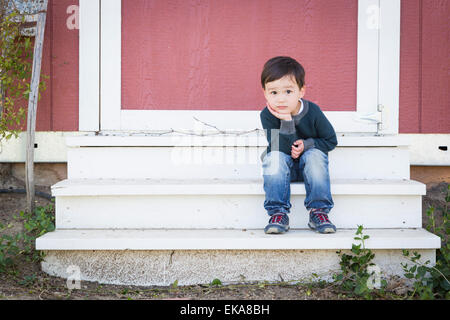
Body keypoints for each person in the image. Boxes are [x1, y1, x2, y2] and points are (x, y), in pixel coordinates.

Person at [259, 56, 338, 234]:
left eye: (288, 91)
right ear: (265, 93)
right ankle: (278, 213)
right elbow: (277, 148)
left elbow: (331, 140)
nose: (281, 99)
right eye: (274, 93)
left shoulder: (313, 112)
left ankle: (318, 211)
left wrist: (308, 144)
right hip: (282, 172)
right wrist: (286, 121)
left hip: (311, 170)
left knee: (315, 154)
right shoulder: (267, 115)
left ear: (301, 91)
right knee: (273, 158)